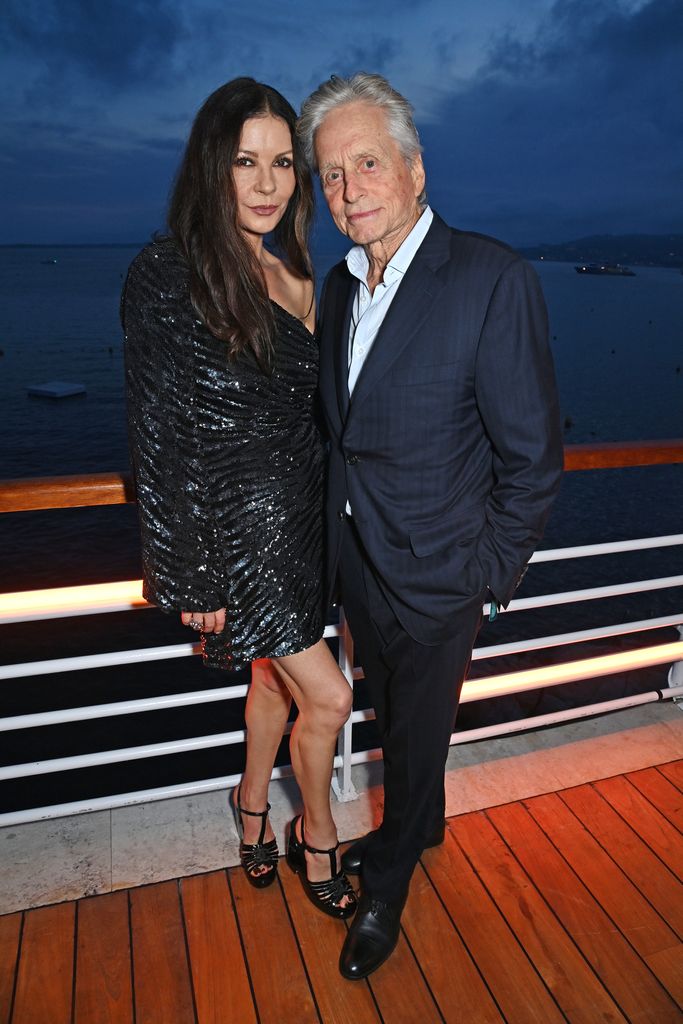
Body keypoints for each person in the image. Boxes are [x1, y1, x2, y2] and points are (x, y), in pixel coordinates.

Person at [298, 72, 563, 977]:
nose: (347, 190)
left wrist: (485, 581)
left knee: (410, 738)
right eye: (330, 175)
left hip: (446, 577)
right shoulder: (336, 289)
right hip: (357, 570)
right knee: (396, 722)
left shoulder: (491, 279)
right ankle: (425, 822)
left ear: (414, 169)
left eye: (367, 162)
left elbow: (532, 461)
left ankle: (387, 888)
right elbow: (343, 435)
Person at [122, 78, 356, 918]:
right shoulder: (168, 272)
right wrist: (190, 577)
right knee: (327, 696)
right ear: (213, 168)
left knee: (270, 684)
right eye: (245, 161)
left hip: (304, 519)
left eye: (283, 163)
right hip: (238, 534)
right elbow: (159, 433)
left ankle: (250, 806)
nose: (266, 183)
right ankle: (316, 838)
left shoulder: (299, 271)